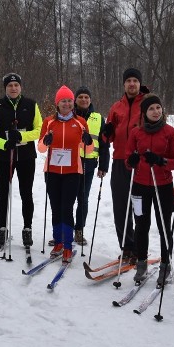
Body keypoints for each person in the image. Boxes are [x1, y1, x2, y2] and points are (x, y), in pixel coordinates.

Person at [125, 94, 174, 286]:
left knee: (164, 226)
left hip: (162, 186)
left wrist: (161, 161)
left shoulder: (170, 132)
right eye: (151, 109)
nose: (156, 111)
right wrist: (131, 161)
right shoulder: (136, 133)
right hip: (140, 186)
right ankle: (141, 263)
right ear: (144, 112)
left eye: (158, 107)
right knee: (141, 225)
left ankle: (165, 265)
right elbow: (128, 158)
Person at [0, 72, 42, 248]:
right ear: (5, 88)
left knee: (26, 193)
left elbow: (40, 129)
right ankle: (2, 228)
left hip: (26, 156)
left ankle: (27, 228)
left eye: (16, 85)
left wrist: (23, 135)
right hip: (4, 156)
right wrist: (4, 143)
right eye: (10, 86)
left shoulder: (31, 105)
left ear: (21, 87)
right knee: (3, 193)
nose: (13, 88)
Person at [37, 86, 93, 263]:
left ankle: (68, 245)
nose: (67, 104)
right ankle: (59, 242)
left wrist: (88, 141)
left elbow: (88, 150)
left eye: (69, 100)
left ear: (73, 103)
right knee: (55, 207)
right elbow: (40, 148)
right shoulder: (49, 122)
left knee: (67, 208)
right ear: (57, 103)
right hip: (52, 171)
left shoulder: (81, 123)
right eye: (63, 101)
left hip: (72, 172)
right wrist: (46, 142)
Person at [101, 68, 148, 263]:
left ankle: (140, 247)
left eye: (135, 80)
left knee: (139, 208)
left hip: (140, 163)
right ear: (123, 84)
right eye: (128, 80)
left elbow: (156, 128)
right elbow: (108, 138)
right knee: (121, 207)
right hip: (120, 162)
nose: (131, 84)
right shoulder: (116, 107)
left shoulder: (147, 104)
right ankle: (127, 246)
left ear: (139, 83)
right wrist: (107, 130)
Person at [72, 86, 109, 246]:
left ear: (91, 100)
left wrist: (103, 165)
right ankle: (64, 229)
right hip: (70, 162)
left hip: (89, 163)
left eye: (87, 97)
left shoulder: (98, 118)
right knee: (67, 198)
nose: (84, 99)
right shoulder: (69, 116)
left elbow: (104, 143)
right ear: (75, 100)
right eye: (80, 97)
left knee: (83, 198)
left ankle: (79, 229)